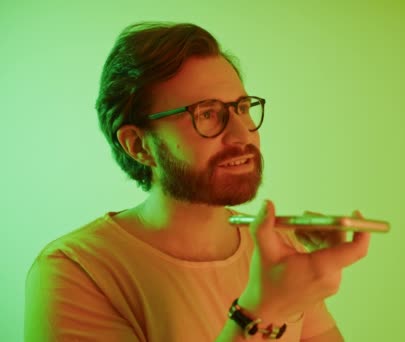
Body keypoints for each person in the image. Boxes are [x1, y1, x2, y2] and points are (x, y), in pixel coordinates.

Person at [24, 22, 371, 341]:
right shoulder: (76, 271)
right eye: (207, 114)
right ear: (139, 145)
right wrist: (265, 311)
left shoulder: (278, 252)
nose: (242, 134)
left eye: (241, 107)